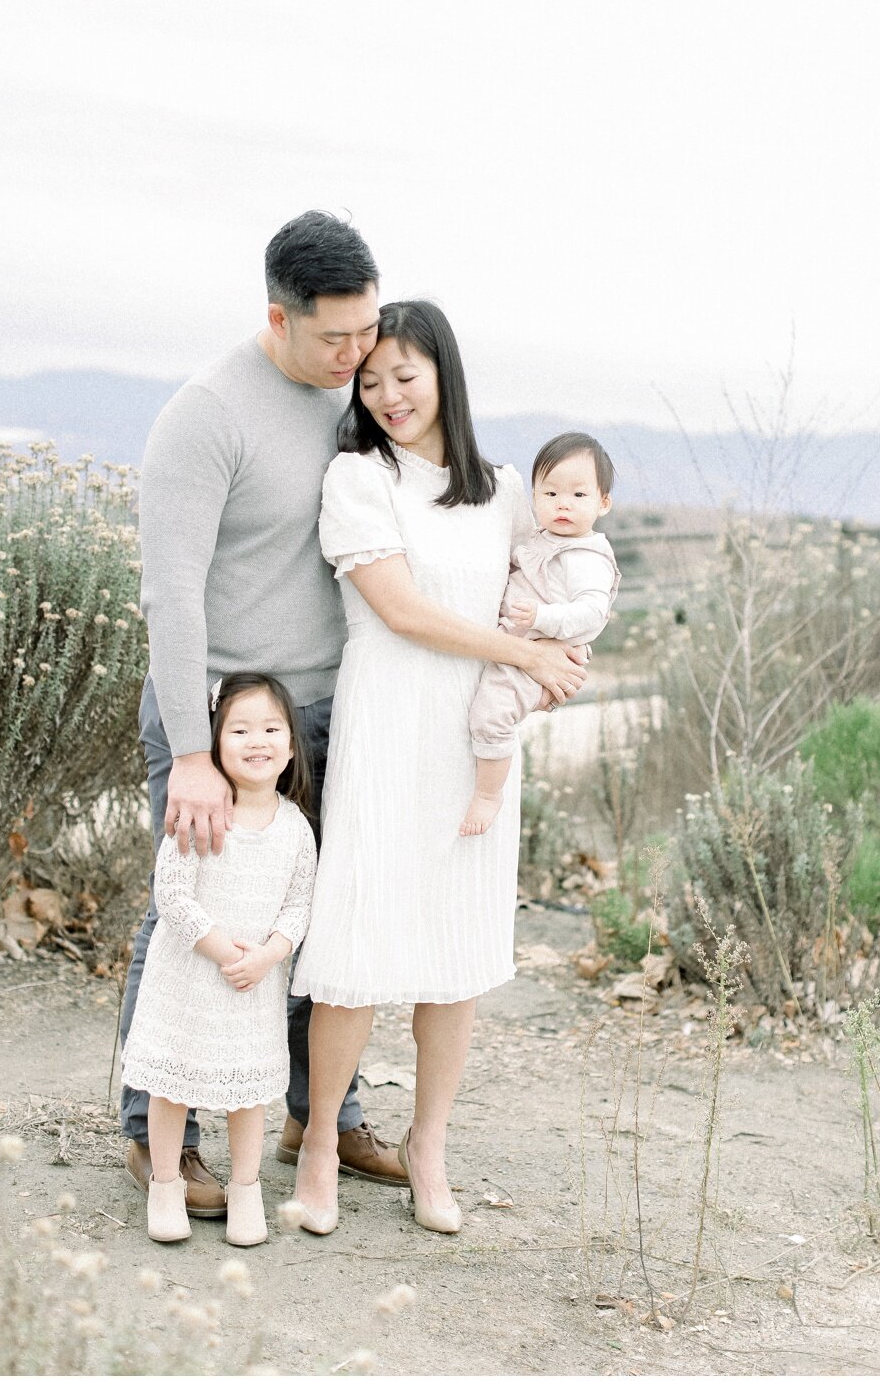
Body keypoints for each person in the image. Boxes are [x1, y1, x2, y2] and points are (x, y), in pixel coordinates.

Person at [122, 210, 407, 1216]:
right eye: (333, 336)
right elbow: (174, 592)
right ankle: (156, 1134)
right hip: (220, 721)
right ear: (276, 317)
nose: (355, 353)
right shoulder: (207, 415)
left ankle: (315, 1112)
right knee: (188, 915)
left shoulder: (355, 398)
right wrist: (193, 752)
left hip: (329, 710)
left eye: (365, 330)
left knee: (314, 917)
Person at [289, 300, 588, 1238]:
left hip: (473, 746)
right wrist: (525, 652)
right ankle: (319, 1146)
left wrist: (563, 651)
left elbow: (553, 588)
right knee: (352, 955)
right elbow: (403, 611)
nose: (385, 396)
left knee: (452, 959)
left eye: (404, 376)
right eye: (370, 381)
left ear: (443, 374)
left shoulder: (504, 489)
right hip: (387, 733)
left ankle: (428, 1145)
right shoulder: (355, 477)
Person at [122, 674, 317, 1245]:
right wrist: (220, 947)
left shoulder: (295, 827)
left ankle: (247, 1190)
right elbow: (173, 895)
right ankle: (165, 1184)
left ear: (289, 745)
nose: (256, 741)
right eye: (239, 729)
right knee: (172, 1085)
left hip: (252, 984)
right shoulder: (202, 813)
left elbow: (300, 904)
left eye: (270, 729)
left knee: (247, 1093)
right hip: (189, 977)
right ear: (215, 741)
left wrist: (270, 954)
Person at [460, 432, 621, 835]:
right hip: (519, 643)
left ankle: (487, 794)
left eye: (578, 496)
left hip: (538, 653)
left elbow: (592, 613)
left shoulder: (584, 556)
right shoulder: (541, 538)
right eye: (550, 493)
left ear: (603, 502)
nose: (562, 503)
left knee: (490, 715)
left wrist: (542, 617)